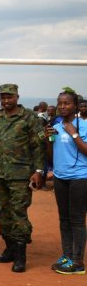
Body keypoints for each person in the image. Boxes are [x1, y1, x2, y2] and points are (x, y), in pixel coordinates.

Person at [0, 84, 46, 273]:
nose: (6, 100)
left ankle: (21, 255)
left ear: (17, 97)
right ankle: (9, 248)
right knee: (2, 212)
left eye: (9, 97)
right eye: (3, 97)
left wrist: (38, 171)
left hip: (20, 174)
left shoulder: (30, 118)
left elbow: (38, 146)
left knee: (18, 213)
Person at [48, 89, 87, 274]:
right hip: (60, 177)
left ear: (76, 105)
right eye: (60, 103)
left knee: (77, 220)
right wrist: (48, 139)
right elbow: (51, 154)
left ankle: (78, 262)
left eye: (67, 103)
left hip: (80, 178)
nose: (62, 106)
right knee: (64, 219)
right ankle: (67, 255)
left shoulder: (84, 126)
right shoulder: (56, 126)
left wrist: (74, 134)